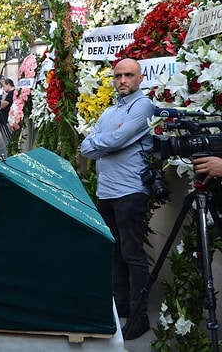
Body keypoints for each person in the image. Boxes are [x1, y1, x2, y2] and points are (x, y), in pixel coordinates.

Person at [80, 58, 153, 341]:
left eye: (129, 75)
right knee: (114, 251)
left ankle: (139, 316)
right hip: (107, 191)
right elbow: (87, 146)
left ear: (140, 78)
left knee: (133, 254)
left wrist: (107, 142)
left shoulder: (143, 105)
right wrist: (108, 142)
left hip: (130, 191)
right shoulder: (111, 110)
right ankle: (120, 304)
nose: (123, 80)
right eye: (118, 75)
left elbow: (116, 139)